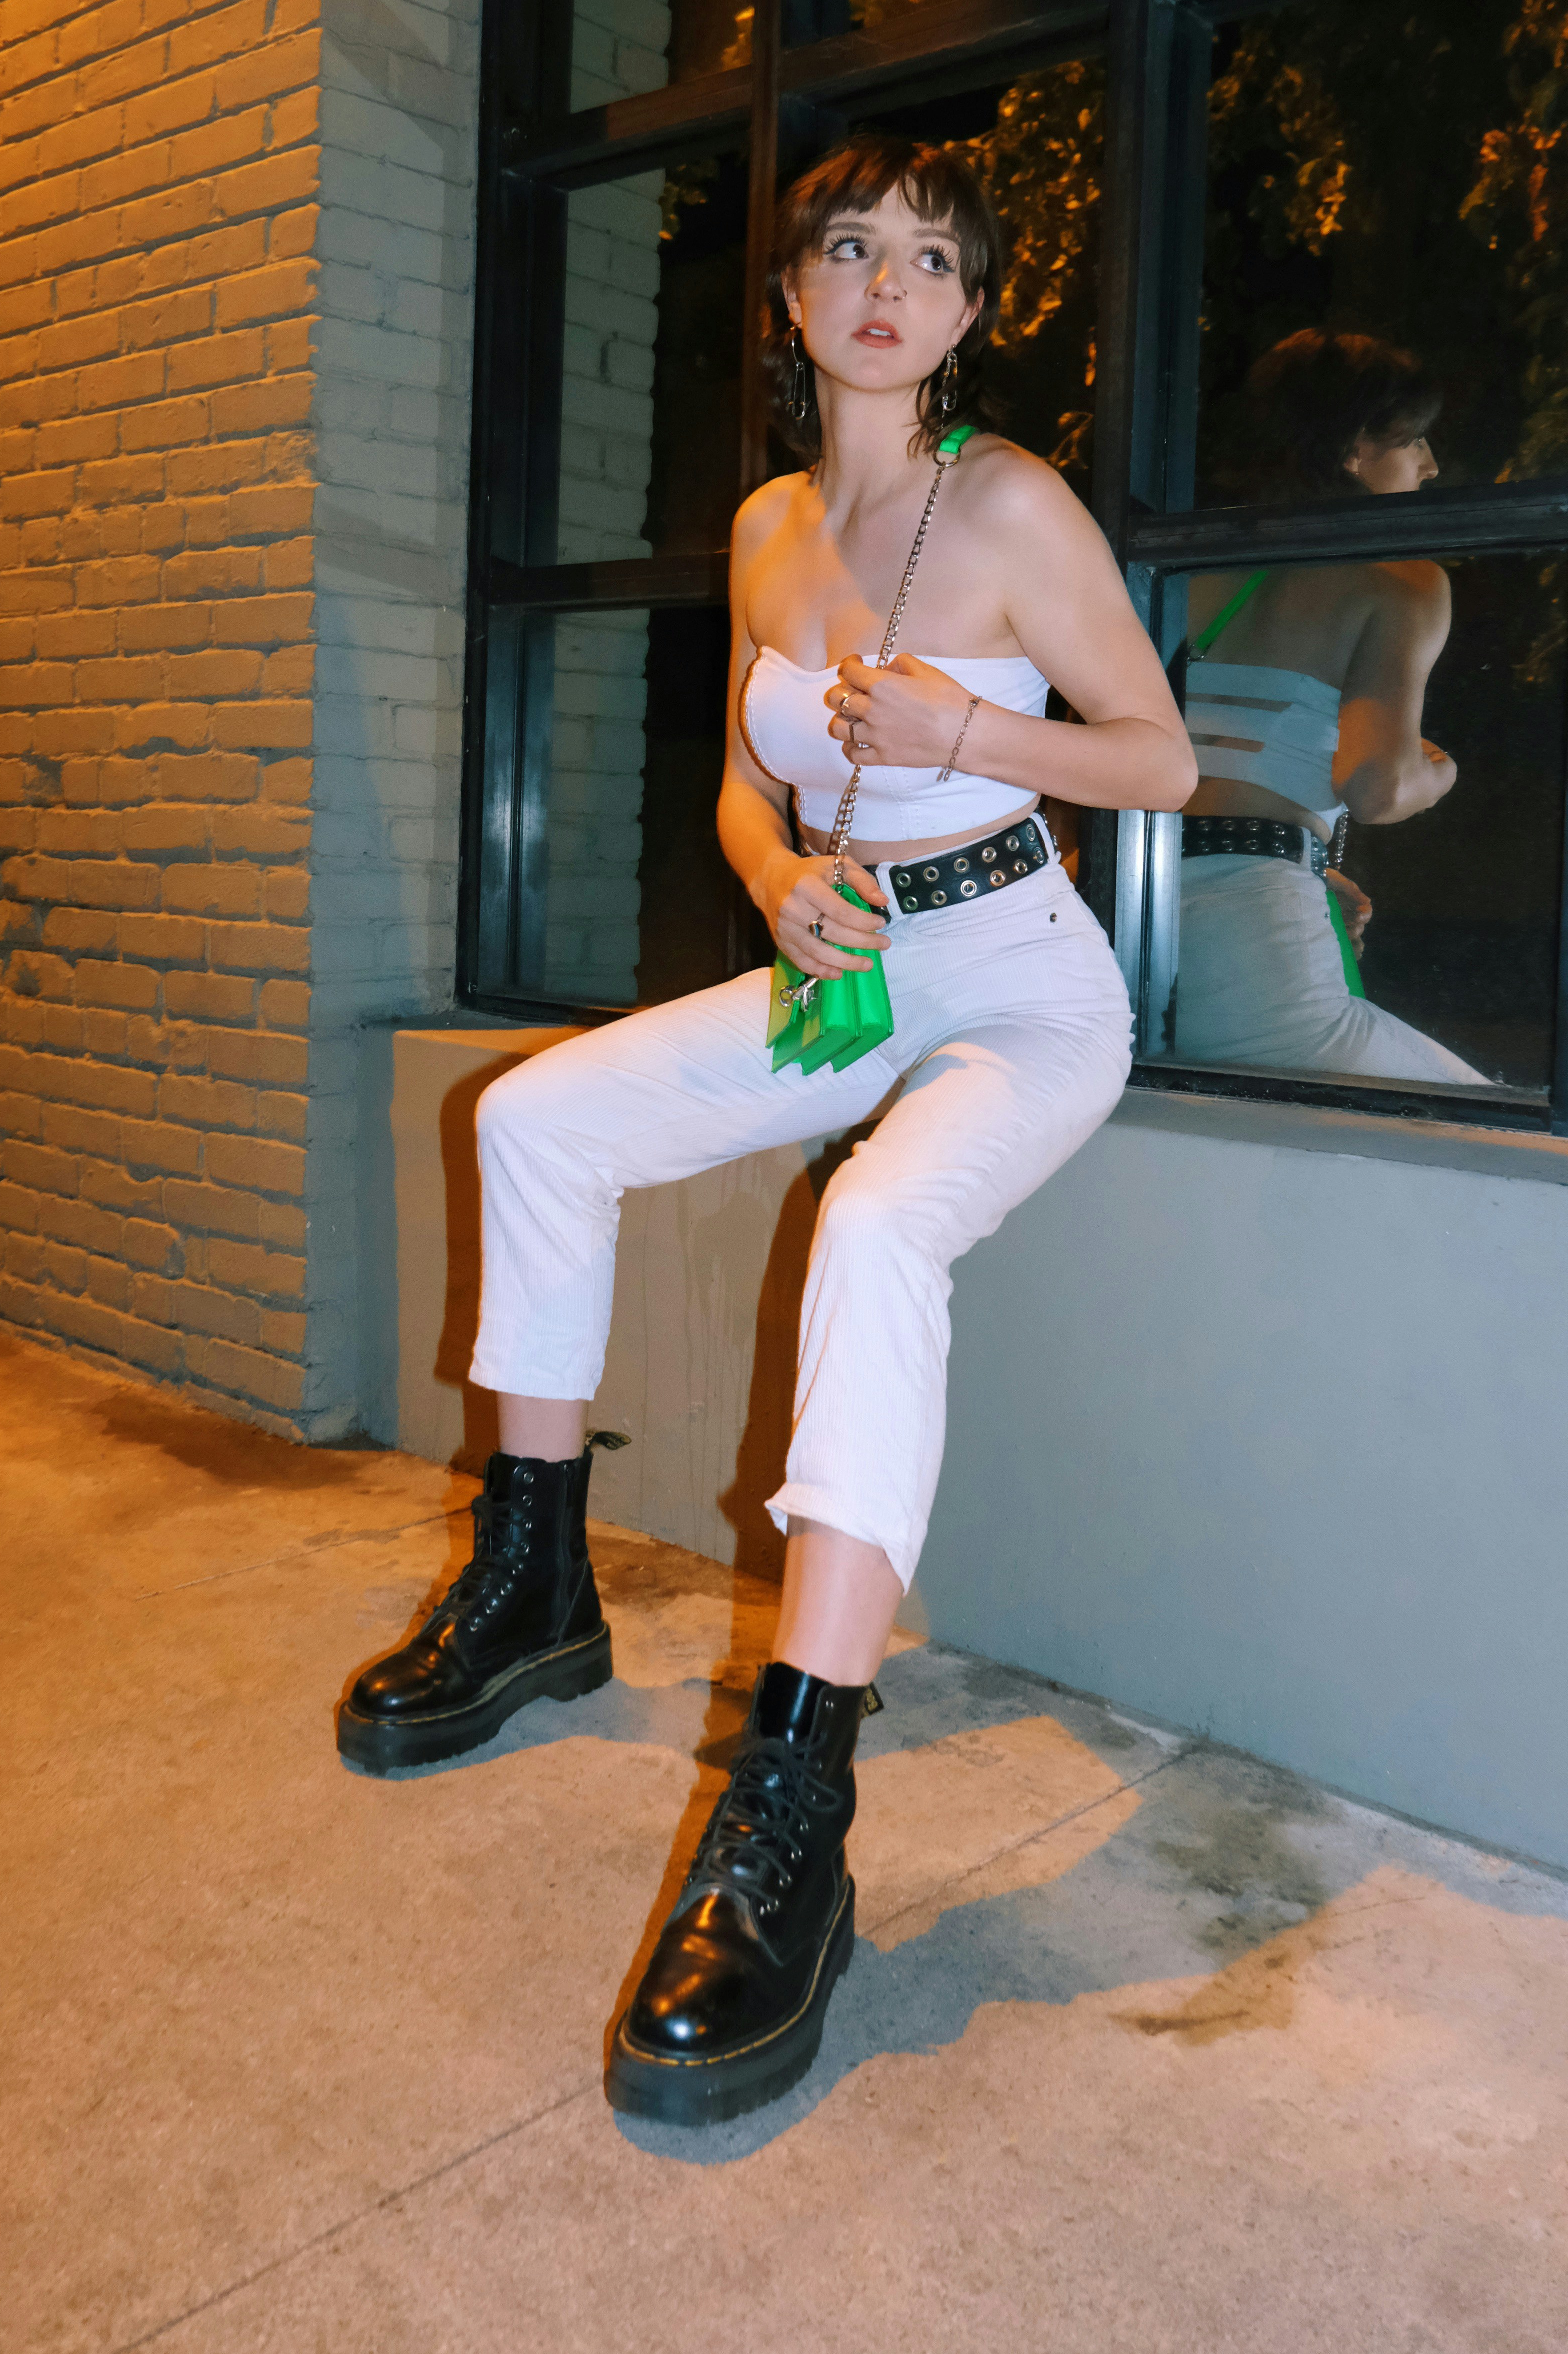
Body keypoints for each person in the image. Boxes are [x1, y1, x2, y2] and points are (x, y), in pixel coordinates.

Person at [334, 138, 1195, 2126]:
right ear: (796, 299)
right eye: (847, 250)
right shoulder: (763, 531)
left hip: (1021, 982)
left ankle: (793, 1798)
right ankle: (534, 1586)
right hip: (852, 967)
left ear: (970, 314)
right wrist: (776, 882)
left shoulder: (1007, 509)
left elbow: (1153, 756)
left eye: (930, 260)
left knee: (877, 1232)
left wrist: (968, 737)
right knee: (537, 1120)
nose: (885, 284)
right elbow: (747, 780)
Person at [1171, 330, 1486, 1086]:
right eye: (1413, 441)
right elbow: (1377, 787)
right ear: (1353, 451)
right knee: (1510, 1147)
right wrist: (1441, 769)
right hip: (1256, 946)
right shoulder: (1401, 582)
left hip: (1127, 908)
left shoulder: (1182, 568)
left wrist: (1306, 869)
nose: (1431, 465)